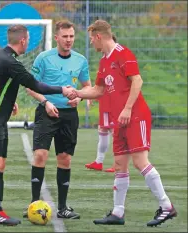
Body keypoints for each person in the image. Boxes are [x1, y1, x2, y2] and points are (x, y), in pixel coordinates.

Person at [71, 20, 177, 227]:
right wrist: (78, 93)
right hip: (119, 118)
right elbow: (99, 90)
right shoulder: (104, 61)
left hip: (135, 115)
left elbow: (137, 81)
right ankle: (118, 213)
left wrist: (128, 108)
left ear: (99, 36)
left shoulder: (123, 53)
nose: (91, 42)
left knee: (140, 162)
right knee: (120, 164)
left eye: (92, 38)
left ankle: (167, 207)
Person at [0, 24, 75, 226]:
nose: (28, 41)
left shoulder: (1, 57)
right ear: (23, 40)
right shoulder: (9, 61)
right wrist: (62, 89)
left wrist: (9, 101)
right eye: (28, 38)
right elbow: (34, 84)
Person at [24, 20, 91, 220]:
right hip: (46, 112)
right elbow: (30, 86)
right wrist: (45, 102)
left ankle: (62, 208)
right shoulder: (43, 58)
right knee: (40, 156)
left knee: (65, 159)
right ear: (56, 38)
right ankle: (34, 206)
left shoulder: (80, 60)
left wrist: (79, 97)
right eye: (65, 36)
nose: (69, 40)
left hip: (69, 116)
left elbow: (87, 86)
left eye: (71, 36)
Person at [85, 93, 115, 172]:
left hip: (114, 107)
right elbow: (98, 89)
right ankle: (98, 162)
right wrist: (90, 96)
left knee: (116, 133)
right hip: (105, 106)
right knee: (103, 129)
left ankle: (119, 164)